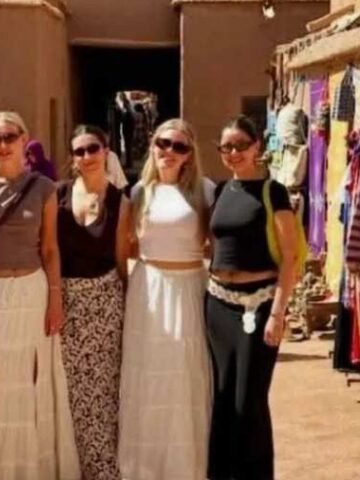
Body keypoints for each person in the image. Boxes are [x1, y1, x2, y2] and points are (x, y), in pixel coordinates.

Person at [0, 111, 80, 480]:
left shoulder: (42, 188)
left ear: (25, 139)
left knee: (28, 382)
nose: (3, 145)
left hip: (31, 292)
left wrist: (55, 299)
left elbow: (50, 249)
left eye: (10, 137)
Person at [118, 118, 213, 480]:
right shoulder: (139, 191)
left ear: (190, 155)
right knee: (147, 376)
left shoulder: (204, 191)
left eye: (179, 147)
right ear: (152, 146)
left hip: (189, 287)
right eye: (162, 144)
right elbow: (123, 246)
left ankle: (185, 468)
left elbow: (217, 246)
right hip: (149, 290)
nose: (169, 152)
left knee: (185, 376)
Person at [206, 116, 299, 480]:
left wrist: (278, 313)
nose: (233, 153)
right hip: (217, 306)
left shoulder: (272, 192)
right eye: (226, 147)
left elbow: (289, 256)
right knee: (223, 396)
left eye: (240, 145)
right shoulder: (218, 191)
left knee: (250, 400)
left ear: (257, 146)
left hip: (258, 305)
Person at [57, 125, 131, 480]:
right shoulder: (56, 196)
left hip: (105, 303)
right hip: (65, 305)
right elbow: (48, 252)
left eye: (92, 149)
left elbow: (120, 260)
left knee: (102, 394)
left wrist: (130, 307)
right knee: (68, 393)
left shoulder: (121, 201)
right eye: (79, 151)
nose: (86, 156)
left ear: (106, 151)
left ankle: (103, 471)